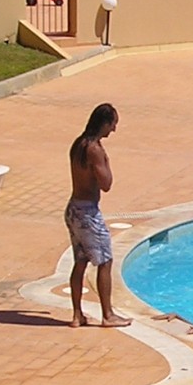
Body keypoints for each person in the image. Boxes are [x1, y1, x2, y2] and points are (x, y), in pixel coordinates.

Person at [65, 103, 130, 328]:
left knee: (80, 261)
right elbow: (106, 184)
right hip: (87, 214)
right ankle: (108, 315)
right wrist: (107, 161)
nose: (114, 129)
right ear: (104, 123)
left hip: (73, 209)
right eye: (113, 124)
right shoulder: (95, 150)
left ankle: (77, 315)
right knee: (106, 261)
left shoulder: (78, 144)